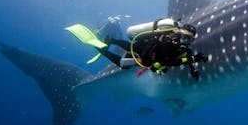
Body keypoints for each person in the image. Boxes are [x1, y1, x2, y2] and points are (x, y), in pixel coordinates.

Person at [65, 19, 208, 80]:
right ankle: (102, 50)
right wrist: (192, 59)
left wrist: (193, 68)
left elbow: (186, 57)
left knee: (130, 46)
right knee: (123, 64)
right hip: (147, 56)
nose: (184, 40)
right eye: (184, 36)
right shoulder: (168, 41)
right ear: (179, 32)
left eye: (188, 39)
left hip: (144, 45)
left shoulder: (183, 47)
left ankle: (112, 40)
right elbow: (168, 61)